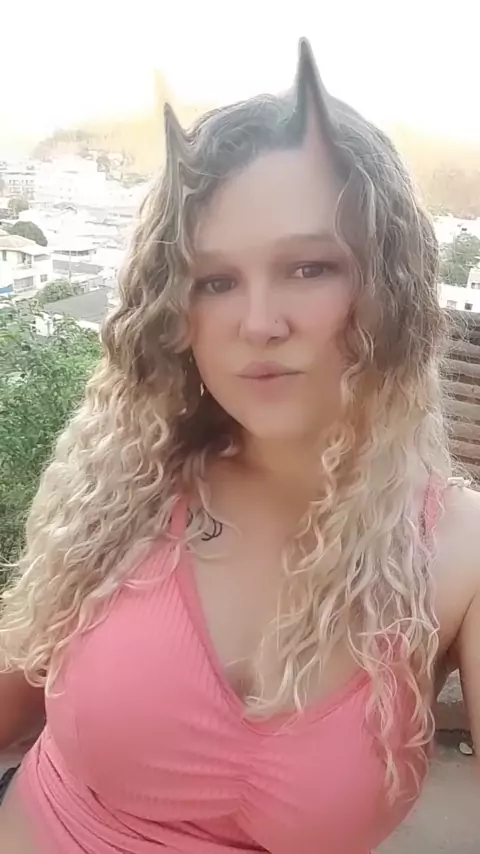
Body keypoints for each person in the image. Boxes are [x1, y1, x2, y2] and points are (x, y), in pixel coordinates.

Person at [0, 37, 479, 854]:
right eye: (215, 281)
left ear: (390, 288)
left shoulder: (459, 556)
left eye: (309, 268)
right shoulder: (128, 485)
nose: (259, 322)